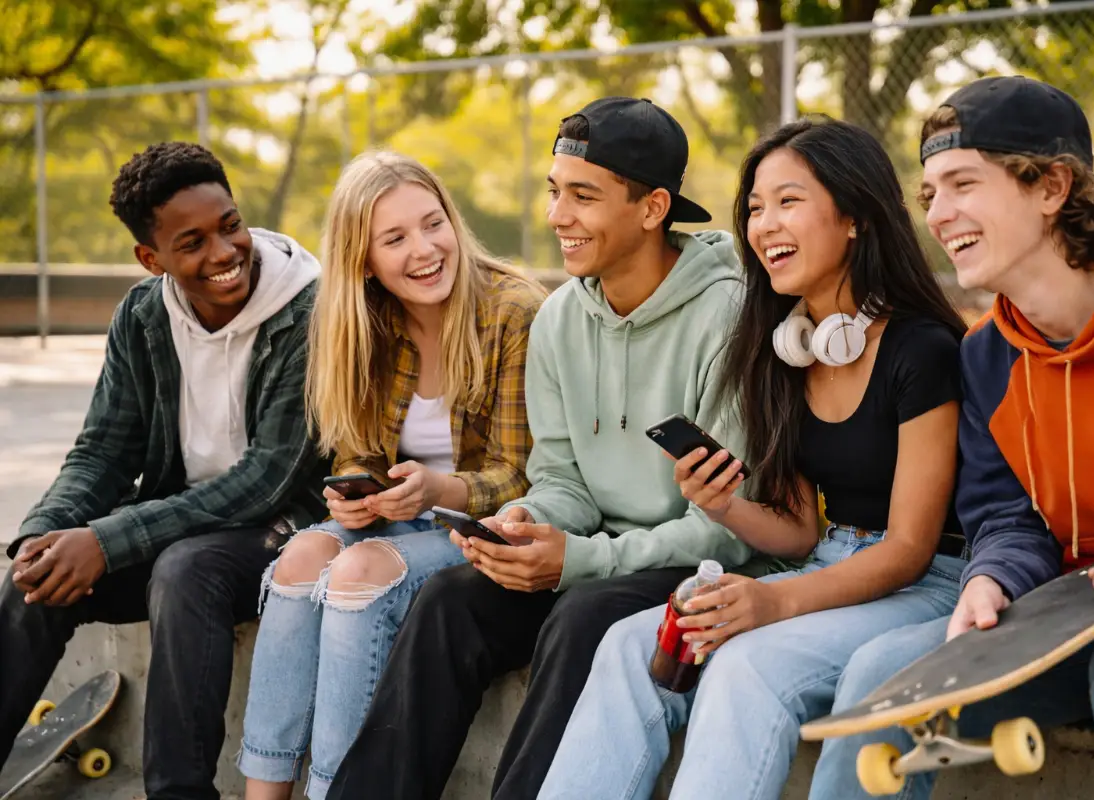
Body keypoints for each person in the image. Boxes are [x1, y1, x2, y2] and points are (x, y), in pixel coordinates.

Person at [325, 97, 754, 800]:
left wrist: (576, 560)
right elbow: (563, 483)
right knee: (450, 600)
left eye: (583, 197)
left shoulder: (728, 318)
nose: (557, 216)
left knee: (582, 615)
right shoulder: (561, 318)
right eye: (554, 191)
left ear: (652, 208)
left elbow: (726, 530)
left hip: (692, 561)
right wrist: (525, 522)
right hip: (597, 552)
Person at [538, 115, 971, 799]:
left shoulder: (921, 351)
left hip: (926, 585)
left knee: (747, 665)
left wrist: (772, 600)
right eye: (756, 208)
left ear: (854, 215)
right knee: (631, 644)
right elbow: (798, 529)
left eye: (789, 202)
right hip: (823, 560)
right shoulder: (787, 349)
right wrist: (725, 504)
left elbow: (911, 547)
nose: (765, 224)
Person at [808, 76, 1094, 800]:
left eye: (962, 182)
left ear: (1051, 186)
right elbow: (1007, 516)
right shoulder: (986, 357)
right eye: (928, 193)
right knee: (881, 674)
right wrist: (991, 580)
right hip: (1069, 624)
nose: (938, 213)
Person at [0, 142, 327, 800]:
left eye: (229, 224)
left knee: (186, 569)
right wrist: (47, 531)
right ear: (151, 260)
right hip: (181, 523)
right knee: (35, 575)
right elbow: (103, 452)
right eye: (193, 242)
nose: (224, 252)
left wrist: (109, 540)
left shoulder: (309, 311)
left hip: (288, 529)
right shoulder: (145, 315)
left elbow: (267, 477)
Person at [237, 151, 547, 800]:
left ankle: (335, 790)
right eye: (396, 238)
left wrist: (440, 491)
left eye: (434, 224)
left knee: (357, 570)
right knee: (302, 556)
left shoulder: (513, 311)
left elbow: (525, 475)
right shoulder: (360, 320)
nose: (426, 249)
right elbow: (355, 452)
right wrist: (355, 493)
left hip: (477, 524)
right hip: (398, 517)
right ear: (364, 260)